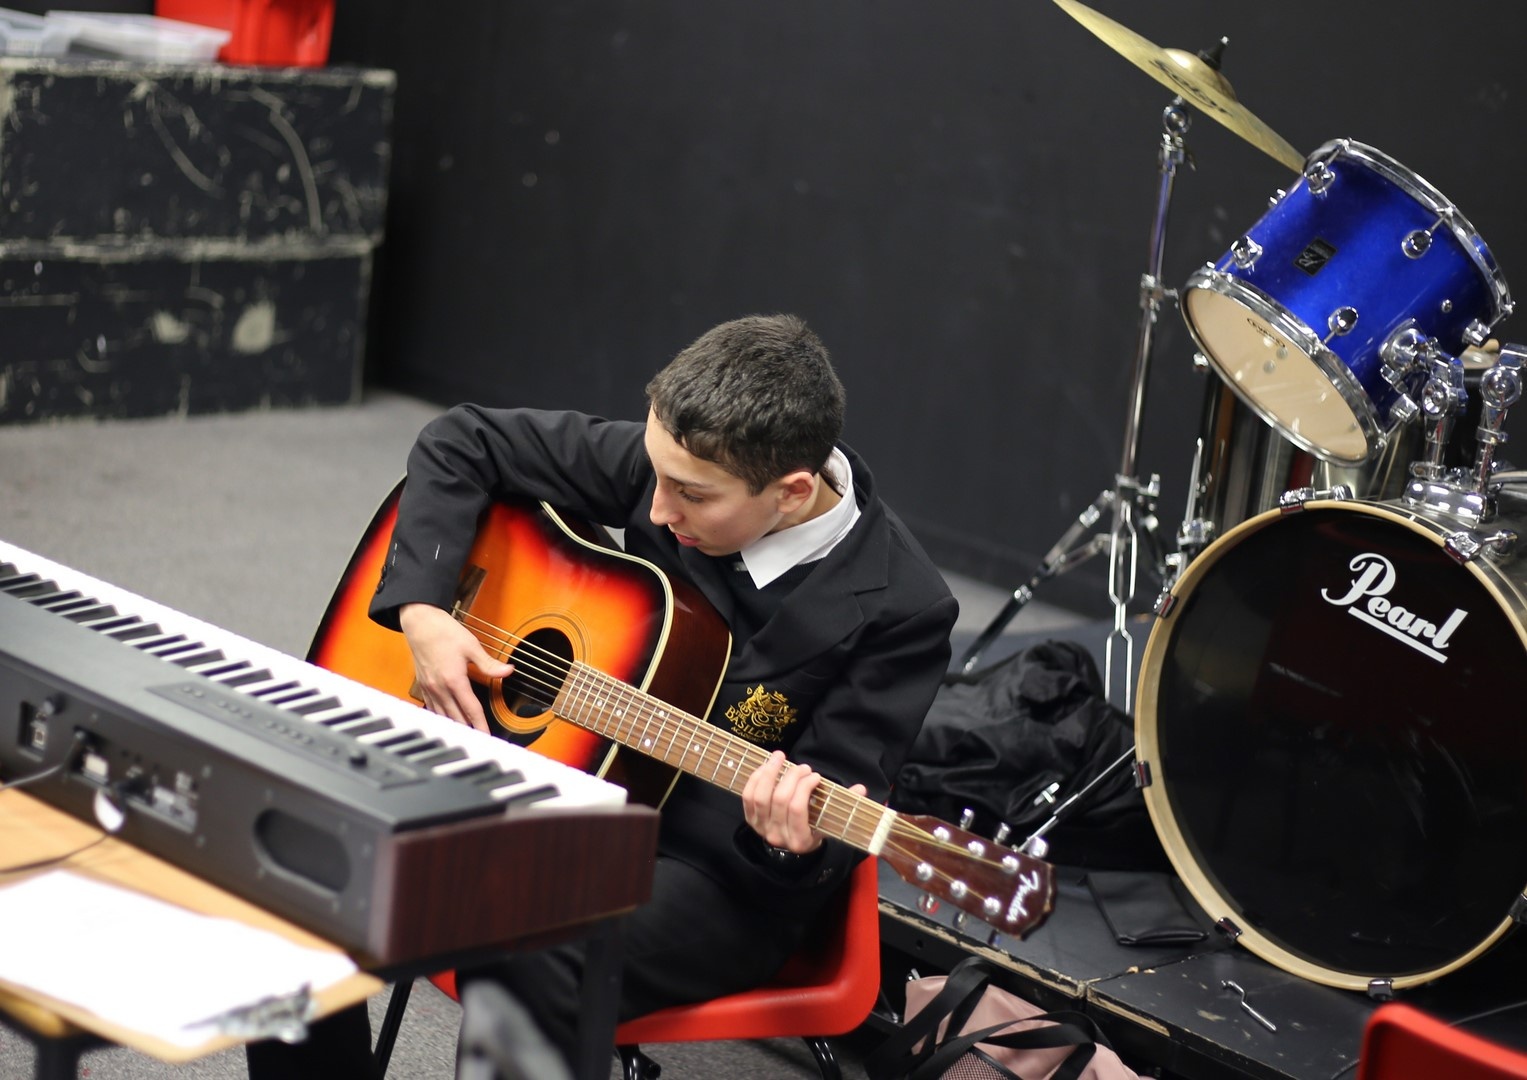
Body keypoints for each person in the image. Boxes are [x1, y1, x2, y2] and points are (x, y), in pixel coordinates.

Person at [248, 313, 957, 1078]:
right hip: (560, 782)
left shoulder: (902, 607)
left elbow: (830, 819)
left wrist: (788, 840)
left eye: (690, 496)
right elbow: (462, 439)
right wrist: (423, 611)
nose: (656, 510)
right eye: (656, 476)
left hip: (711, 870)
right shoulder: (683, 462)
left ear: (790, 493)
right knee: (290, 846)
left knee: (523, 941)